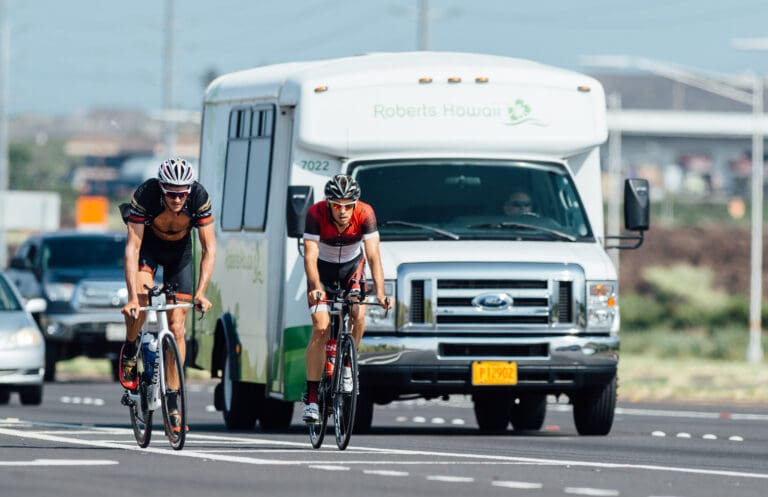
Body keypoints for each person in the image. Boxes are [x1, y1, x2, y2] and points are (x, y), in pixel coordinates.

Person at [118, 158, 216, 433]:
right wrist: (132, 298)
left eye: (181, 193)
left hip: (179, 256)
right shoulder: (146, 195)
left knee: (177, 327)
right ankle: (130, 348)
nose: (177, 198)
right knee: (142, 298)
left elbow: (209, 249)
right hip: (148, 249)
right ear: (161, 188)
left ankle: (172, 397)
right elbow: (132, 249)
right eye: (171, 192)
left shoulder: (198, 197)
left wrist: (201, 293)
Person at [301, 174, 392, 423]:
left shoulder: (365, 213)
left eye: (348, 205)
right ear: (328, 203)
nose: (343, 211)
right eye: (337, 205)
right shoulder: (315, 213)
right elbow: (309, 256)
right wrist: (316, 287)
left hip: (351, 269)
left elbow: (373, 256)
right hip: (322, 272)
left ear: (355, 204)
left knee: (358, 313)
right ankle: (311, 398)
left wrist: (381, 293)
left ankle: (349, 364)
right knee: (321, 327)